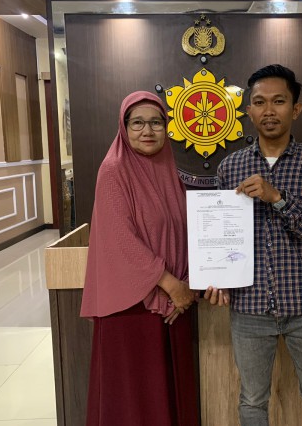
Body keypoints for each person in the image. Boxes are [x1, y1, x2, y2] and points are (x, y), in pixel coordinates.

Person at [207, 64, 302, 426]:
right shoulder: (230, 167)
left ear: (295, 109)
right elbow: (219, 234)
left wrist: (278, 198)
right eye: (260, 102)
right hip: (249, 305)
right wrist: (218, 276)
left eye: (279, 101)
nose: (269, 110)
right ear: (248, 111)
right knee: (252, 400)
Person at [80, 91, 199, 426]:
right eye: (137, 123)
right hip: (132, 309)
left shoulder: (168, 170)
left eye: (156, 122)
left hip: (174, 306)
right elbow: (121, 240)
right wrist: (173, 286)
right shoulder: (113, 170)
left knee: (168, 394)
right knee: (136, 400)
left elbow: (183, 232)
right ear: (124, 127)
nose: (148, 130)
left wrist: (188, 286)